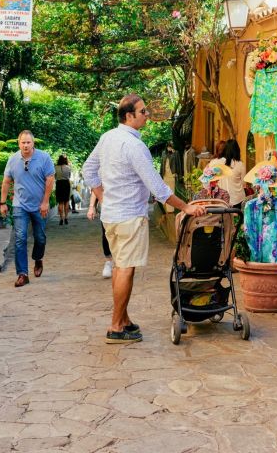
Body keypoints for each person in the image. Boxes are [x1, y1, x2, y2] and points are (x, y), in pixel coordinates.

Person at [83, 94, 206, 344]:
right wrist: (186, 207)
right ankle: (116, 326)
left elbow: (88, 169)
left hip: (112, 216)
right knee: (126, 269)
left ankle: (124, 319)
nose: (147, 115)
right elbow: (158, 188)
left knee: (120, 266)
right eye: (143, 112)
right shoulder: (134, 146)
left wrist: (102, 196)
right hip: (128, 216)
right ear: (129, 116)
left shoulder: (108, 138)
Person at [0, 131, 55, 287]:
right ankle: (22, 274)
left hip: (39, 205)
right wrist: (3, 203)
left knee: (40, 237)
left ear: (33, 143)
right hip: (20, 205)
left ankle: (38, 259)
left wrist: (45, 202)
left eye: (28, 142)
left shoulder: (44, 158)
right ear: (19, 143)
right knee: (20, 238)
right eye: (23, 142)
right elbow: (6, 181)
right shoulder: (13, 160)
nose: (25, 145)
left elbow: (50, 179)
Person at [208, 138, 247, 208]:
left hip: (222, 200)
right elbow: (243, 184)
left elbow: (209, 179)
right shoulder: (240, 164)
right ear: (237, 150)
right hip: (238, 199)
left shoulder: (215, 163)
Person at [87, 197, 114, 278]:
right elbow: (95, 186)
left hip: (125, 208)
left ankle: (121, 264)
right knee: (106, 235)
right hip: (106, 207)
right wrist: (92, 206)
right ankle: (109, 261)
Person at [54, 154, 72, 224]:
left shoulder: (55, 167)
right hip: (66, 184)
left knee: (60, 202)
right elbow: (69, 176)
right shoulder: (68, 167)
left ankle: (61, 218)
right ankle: (66, 218)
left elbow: (55, 177)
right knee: (66, 201)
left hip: (59, 184)